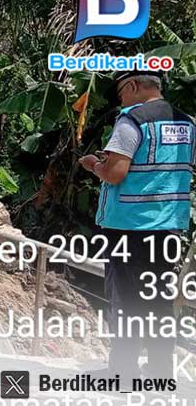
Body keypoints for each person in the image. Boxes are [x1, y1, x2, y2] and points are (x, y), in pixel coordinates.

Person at [79, 71, 195, 379]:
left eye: (121, 94)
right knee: (158, 301)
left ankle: (122, 372)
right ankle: (160, 372)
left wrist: (94, 165)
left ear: (132, 86)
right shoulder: (186, 122)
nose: (121, 100)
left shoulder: (131, 120)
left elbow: (115, 173)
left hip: (130, 228)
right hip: (170, 227)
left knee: (126, 301)